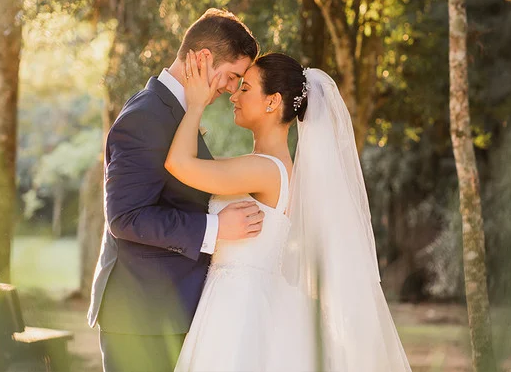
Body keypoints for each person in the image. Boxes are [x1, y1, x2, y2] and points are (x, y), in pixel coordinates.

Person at [168, 51, 412, 372]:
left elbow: (178, 164)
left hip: (238, 308)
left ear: (272, 102)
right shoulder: (274, 165)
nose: (234, 97)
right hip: (240, 298)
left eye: (246, 88)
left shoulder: (264, 169)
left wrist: (196, 103)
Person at [87, 8, 264, 372]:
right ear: (202, 58)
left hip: (163, 313)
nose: (232, 89)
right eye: (232, 76)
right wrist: (215, 230)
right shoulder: (146, 117)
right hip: (141, 317)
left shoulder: (174, 113)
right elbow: (125, 217)